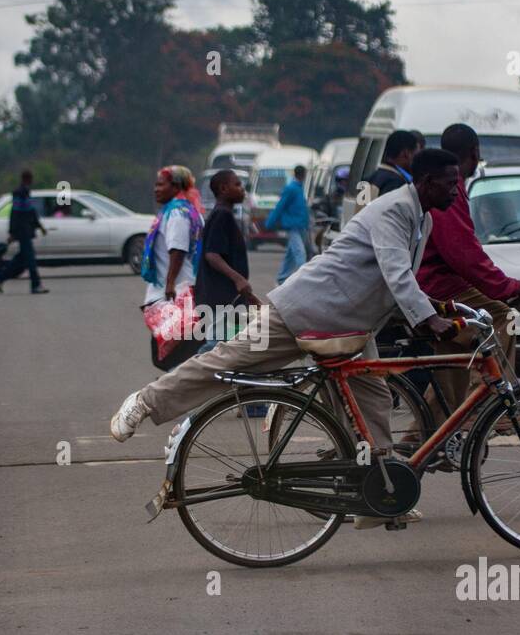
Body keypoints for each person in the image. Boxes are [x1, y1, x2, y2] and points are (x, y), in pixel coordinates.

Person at [111, 148, 464, 527]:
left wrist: (439, 309)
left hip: (349, 326)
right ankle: (145, 401)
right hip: (306, 311)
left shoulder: (420, 218)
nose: (457, 192)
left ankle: (382, 495)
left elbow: (399, 280)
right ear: (427, 182)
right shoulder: (393, 209)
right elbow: (396, 272)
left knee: (373, 400)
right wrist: (428, 318)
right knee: (227, 360)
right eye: (450, 184)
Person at [416, 124, 520, 422]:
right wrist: (508, 287)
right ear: (475, 153)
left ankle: (426, 436)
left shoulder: (448, 186)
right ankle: (492, 405)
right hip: (440, 286)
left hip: (434, 283)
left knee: (451, 364)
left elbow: (466, 252)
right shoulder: (451, 189)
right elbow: (464, 254)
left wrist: (502, 285)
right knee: (502, 317)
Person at [194, 170, 258, 354]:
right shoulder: (222, 216)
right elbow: (212, 255)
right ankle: (173, 380)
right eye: (237, 185)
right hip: (219, 295)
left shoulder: (223, 215)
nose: (242, 189)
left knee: (227, 346)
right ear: (223, 188)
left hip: (227, 295)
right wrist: (238, 279)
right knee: (215, 348)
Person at [142, 166, 203, 306]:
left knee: (176, 328)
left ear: (176, 187)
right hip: (177, 289)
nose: (156, 189)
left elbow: (178, 249)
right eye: (156, 185)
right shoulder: (186, 209)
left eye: (161, 185)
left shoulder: (177, 213)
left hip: (174, 293)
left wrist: (170, 283)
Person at [0, 170, 48, 294]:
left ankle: (0, 277)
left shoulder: (25, 192)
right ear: (28, 179)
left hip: (26, 231)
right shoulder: (19, 193)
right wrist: (12, 232)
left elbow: (30, 212)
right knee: (30, 260)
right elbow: (15, 214)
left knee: (23, 258)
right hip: (22, 231)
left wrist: (39, 226)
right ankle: (36, 285)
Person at [267, 165, 310, 283]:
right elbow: (280, 206)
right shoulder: (291, 188)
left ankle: (282, 278)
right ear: (304, 175)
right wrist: (270, 223)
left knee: (291, 254)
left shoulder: (299, 188)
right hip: (293, 226)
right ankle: (304, 279)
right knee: (300, 253)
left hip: (300, 226)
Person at [362, 130, 419, 198]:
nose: (418, 160)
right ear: (406, 153)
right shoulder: (396, 183)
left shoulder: (370, 178)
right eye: (416, 154)